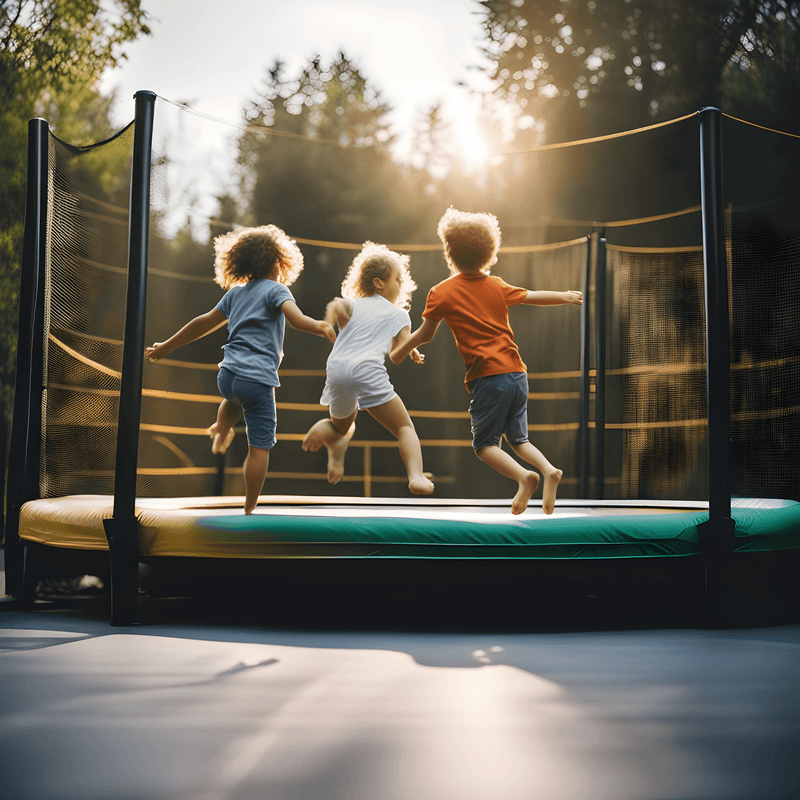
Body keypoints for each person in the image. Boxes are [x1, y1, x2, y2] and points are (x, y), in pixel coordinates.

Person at [390, 207, 582, 515]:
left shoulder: (441, 292)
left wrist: (399, 351)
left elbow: (425, 335)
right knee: (519, 440)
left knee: (484, 446)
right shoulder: (497, 284)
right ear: (490, 252)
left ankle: (525, 477)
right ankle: (548, 470)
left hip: (489, 377)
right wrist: (565, 295)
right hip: (517, 372)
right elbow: (533, 295)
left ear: (449, 252)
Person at [145, 225, 335, 514]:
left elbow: (204, 322)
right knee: (259, 448)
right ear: (278, 261)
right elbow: (296, 319)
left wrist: (166, 347)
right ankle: (249, 508)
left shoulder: (235, 294)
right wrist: (320, 326)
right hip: (257, 381)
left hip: (228, 376)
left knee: (233, 401)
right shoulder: (276, 290)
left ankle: (221, 429)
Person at [302, 242, 435, 496]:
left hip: (337, 369)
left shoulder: (354, 305)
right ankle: (416, 476)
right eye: (397, 279)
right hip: (367, 371)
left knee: (342, 427)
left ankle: (328, 434)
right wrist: (413, 347)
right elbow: (399, 351)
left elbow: (338, 306)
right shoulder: (399, 314)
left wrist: (331, 321)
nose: (401, 285)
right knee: (404, 428)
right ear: (378, 283)